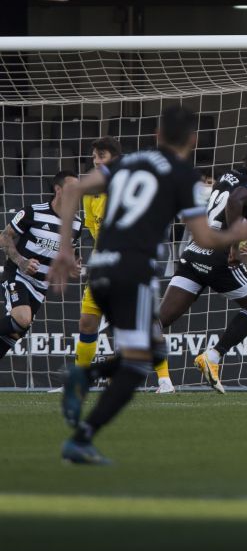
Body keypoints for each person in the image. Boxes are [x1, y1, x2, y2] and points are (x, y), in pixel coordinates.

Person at [48, 106, 247, 465]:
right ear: (192, 140)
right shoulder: (182, 177)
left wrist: (66, 249)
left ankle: (84, 377)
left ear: (157, 136)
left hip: (99, 270)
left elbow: (74, 190)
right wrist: (239, 233)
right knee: (137, 364)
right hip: (132, 273)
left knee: (152, 350)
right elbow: (205, 238)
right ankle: (81, 430)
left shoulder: (128, 162)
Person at [158, 140, 247, 393]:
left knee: (160, 319)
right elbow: (234, 203)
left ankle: (147, 375)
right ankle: (211, 358)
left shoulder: (227, 175)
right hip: (219, 256)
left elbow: (225, 207)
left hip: (195, 251)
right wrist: (234, 247)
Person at [71, 137, 136, 388]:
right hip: (102, 264)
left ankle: (164, 380)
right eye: (95, 157)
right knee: (87, 321)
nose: (97, 161)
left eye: (102, 156)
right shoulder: (90, 192)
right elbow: (92, 229)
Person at [0, 171, 82, 359]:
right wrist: (21, 261)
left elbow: (69, 253)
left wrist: (73, 265)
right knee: (22, 318)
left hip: (41, 285)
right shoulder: (33, 211)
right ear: (58, 190)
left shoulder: (76, 223)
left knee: (15, 332)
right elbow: (4, 236)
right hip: (18, 275)